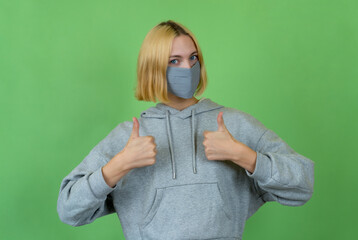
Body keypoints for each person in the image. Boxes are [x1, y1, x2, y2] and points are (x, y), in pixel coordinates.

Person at [57, 20, 314, 239]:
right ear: (154, 67)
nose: (188, 68)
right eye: (174, 60)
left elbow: (303, 185)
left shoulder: (234, 125)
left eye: (193, 58)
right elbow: (69, 210)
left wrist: (245, 156)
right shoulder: (129, 138)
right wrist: (119, 165)